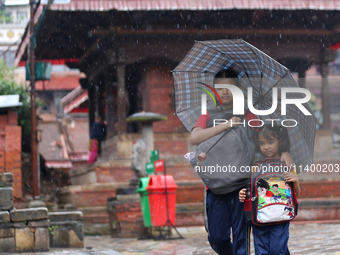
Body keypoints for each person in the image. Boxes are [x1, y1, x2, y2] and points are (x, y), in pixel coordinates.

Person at [190, 70, 295, 255]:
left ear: (238, 89)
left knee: (241, 239)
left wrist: (285, 151)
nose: (224, 92)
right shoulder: (208, 113)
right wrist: (227, 124)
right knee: (217, 237)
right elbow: (195, 137)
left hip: (242, 187)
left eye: (229, 87)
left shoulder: (248, 115)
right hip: (215, 187)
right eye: (220, 88)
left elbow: (268, 137)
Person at [239, 124, 300, 255]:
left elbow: (295, 195)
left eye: (271, 142)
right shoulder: (255, 167)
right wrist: (242, 194)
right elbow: (250, 191)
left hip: (281, 215)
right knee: (261, 251)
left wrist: (295, 180)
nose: (266, 147)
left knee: (278, 249)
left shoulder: (287, 164)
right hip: (260, 216)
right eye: (262, 143)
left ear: (280, 141)